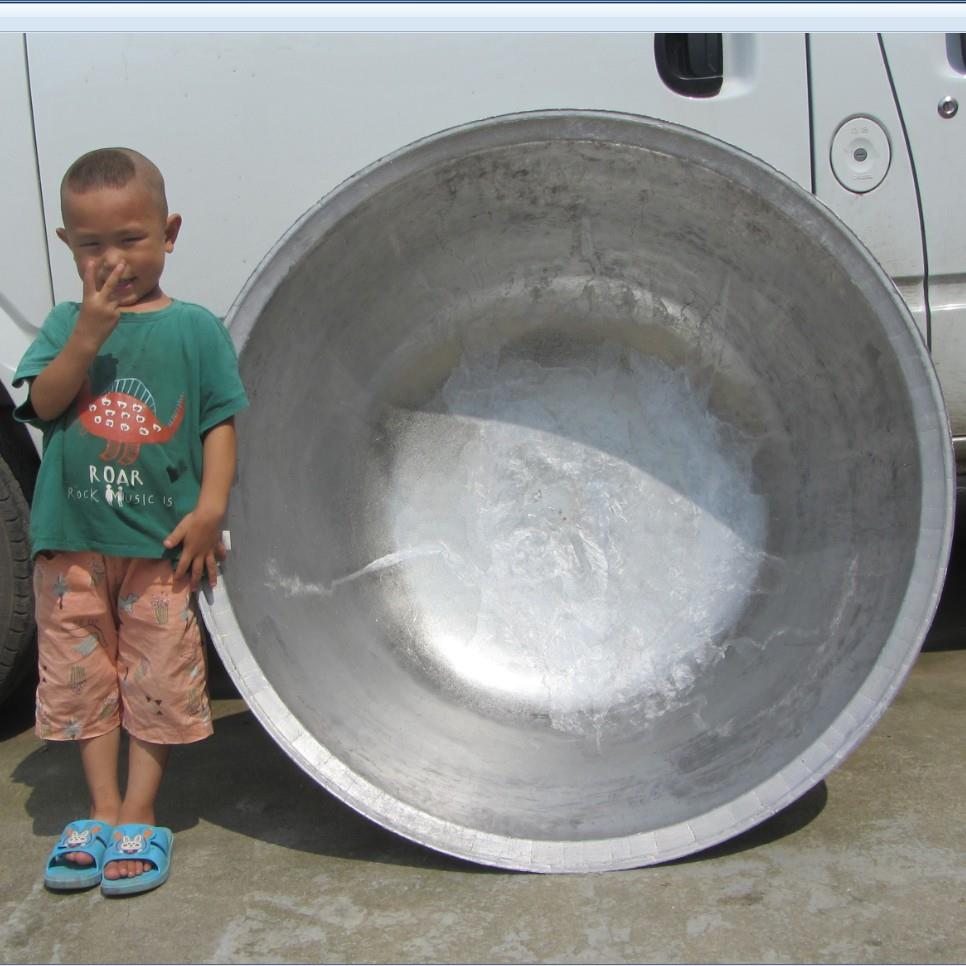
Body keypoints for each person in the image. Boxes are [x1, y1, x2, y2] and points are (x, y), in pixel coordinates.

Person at [14, 147, 249, 896]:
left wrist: (210, 509)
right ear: (66, 246)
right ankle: (101, 809)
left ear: (169, 232)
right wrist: (86, 333)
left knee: (155, 681)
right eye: (92, 246)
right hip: (71, 549)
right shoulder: (62, 324)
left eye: (132, 239)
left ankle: (141, 815)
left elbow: (218, 423)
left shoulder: (194, 330)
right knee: (85, 685)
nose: (114, 259)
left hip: (157, 551)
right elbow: (45, 403)